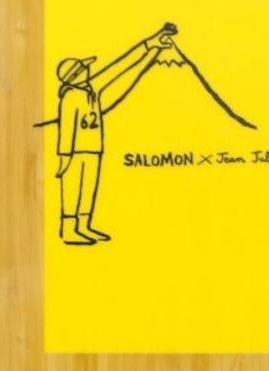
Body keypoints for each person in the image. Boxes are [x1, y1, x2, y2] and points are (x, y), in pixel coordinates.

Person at [55, 24, 178, 245]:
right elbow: (66, 129)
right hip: (75, 153)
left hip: (94, 149)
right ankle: (69, 229)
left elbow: (120, 67)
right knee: (72, 189)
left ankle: (84, 225)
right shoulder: (71, 97)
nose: (88, 70)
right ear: (75, 75)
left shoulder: (93, 89)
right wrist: (64, 157)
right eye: (83, 69)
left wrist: (150, 44)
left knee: (88, 188)